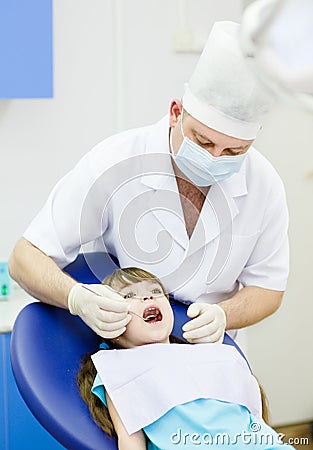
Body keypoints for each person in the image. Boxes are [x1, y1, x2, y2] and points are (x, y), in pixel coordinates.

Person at [8, 21, 289, 344]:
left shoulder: (263, 183)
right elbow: (25, 257)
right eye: (203, 142)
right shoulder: (115, 160)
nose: (215, 157)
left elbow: (268, 288)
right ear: (175, 113)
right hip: (129, 353)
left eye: (234, 151)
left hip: (213, 355)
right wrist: (78, 298)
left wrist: (225, 315)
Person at [78, 267, 294, 450]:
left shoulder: (205, 354)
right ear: (109, 322)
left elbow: (249, 415)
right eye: (129, 296)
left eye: (155, 291)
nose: (148, 297)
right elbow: (131, 440)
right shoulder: (119, 369)